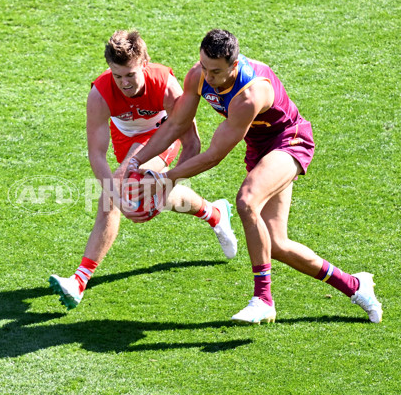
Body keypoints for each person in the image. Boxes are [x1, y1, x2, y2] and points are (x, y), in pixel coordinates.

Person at [125, 29, 382, 324]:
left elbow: (214, 155)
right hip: (260, 147)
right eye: (205, 67)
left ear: (234, 65)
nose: (208, 76)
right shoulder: (198, 75)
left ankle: (263, 299)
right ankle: (354, 285)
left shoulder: (249, 94)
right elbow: (175, 125)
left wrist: (165, 177)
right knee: (275, 243)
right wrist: (135, 162)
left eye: (216, 71)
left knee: (246, 202)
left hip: (289, 141)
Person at [48, 30, 238, 310]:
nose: (124, 83)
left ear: (145, 64)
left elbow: (192, 144)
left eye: (131, 75)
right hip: (126, 142)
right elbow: (97, 154)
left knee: (123, 191)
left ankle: (78, 281)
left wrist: (167, 183)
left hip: (163, 136)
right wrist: (115, 190)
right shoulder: (99, 94)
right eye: (118, 76)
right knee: (114, 194)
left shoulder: (166, 85)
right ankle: (215, 213)